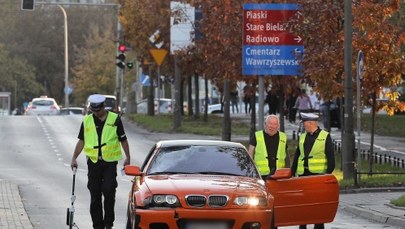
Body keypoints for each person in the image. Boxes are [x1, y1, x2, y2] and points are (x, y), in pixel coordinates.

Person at [70, 94, 131, 229]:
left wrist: (128, 157)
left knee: (109, 190)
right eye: (93, 110)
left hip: (109, 162)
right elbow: (81, 141)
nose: (96, 113)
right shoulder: (87, 121)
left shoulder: (115, 119)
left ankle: (108, 223)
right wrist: (74, 158)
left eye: (98, 110)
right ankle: (97, 225)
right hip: (93, 163)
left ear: (103, 107)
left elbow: (123, 139)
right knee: (95, 194)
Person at [291, 113, 335, 229]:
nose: (303, 126)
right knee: (303, 204)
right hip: (303, 175)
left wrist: (327, 176)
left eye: (304, 123)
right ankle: (302, 226)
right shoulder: (303, 136)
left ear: (310, 123)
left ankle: (318, 226)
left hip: (318, 177)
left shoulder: (325, 136)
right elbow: (297, 156)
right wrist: (291, 173)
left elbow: (331, 159)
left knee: (318, 205)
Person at [248, 115, 290, 180]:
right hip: (260, 175)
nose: (272, 126)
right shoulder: (257, 136)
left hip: (278, 175)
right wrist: (252, 171)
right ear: (265, 124)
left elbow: (287, 156)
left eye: (275, 124)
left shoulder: (283, 137)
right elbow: (250, 154)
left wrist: (288, 172)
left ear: (278, 126)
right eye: (270, 123)